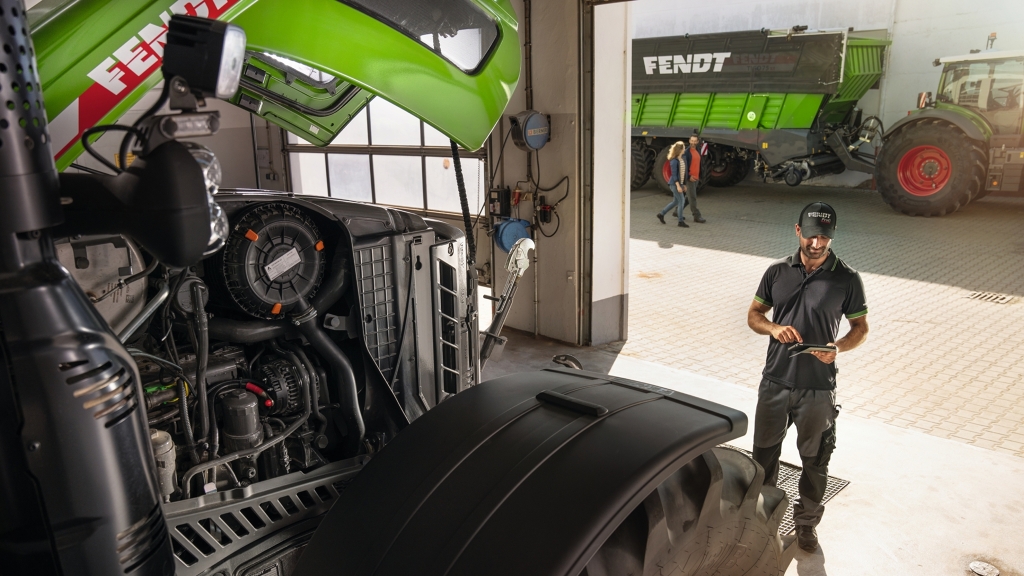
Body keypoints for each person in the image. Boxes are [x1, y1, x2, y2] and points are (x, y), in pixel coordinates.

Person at [745, 202, 869, 553]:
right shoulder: (776, 272)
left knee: (815, 462)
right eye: (811, 235)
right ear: (797, 230)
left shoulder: (847, 278)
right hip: (775, 382)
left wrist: (839, 347)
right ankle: (760, 520)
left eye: (824, 238)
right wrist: (773, 327)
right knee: (763, 457)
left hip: (817, 389)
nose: (817, 243)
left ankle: (806, 526)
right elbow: (754, 314)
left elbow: (860, 328)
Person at [656, 141, 688, 227]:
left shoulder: (681, 159)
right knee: (682, 201)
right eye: (684, 147)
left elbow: (682, 173)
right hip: (674, 184)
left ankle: (661, 214)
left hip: (679, 184)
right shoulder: (674, 161)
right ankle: (680, 221)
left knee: (675, 201)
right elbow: (674, 175)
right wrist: (678, 186)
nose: (685, 149)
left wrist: (683, 184)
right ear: (680, 150)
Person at [679, 134, 706, 224]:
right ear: (689, 141)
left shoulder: (698, 150)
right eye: (692, 141)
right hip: (690, 178)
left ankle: (676, 211)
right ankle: (696, 216)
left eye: (695, 141)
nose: (693, 143)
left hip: (696, 178)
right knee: (692, 197)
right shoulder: (686, 152)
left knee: (688, 197)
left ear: (697, 142)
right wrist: (688, 177)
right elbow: (683, 166)